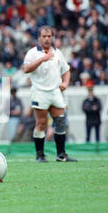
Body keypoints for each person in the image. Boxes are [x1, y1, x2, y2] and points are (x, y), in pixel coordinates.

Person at [23, 25, 77, 162]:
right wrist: (42, 59)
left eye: (49, 36)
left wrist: (65, 83)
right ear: (39, 38)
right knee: (41, 123)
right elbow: (26, 69)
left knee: (60, 122)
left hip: (55, 91)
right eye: (44, 36)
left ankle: (61, 154)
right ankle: (40, 155)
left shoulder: (58, 53)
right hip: (40, 91)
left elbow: (66, 70)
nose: (47, 39)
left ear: (52, 37)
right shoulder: (33, 53)